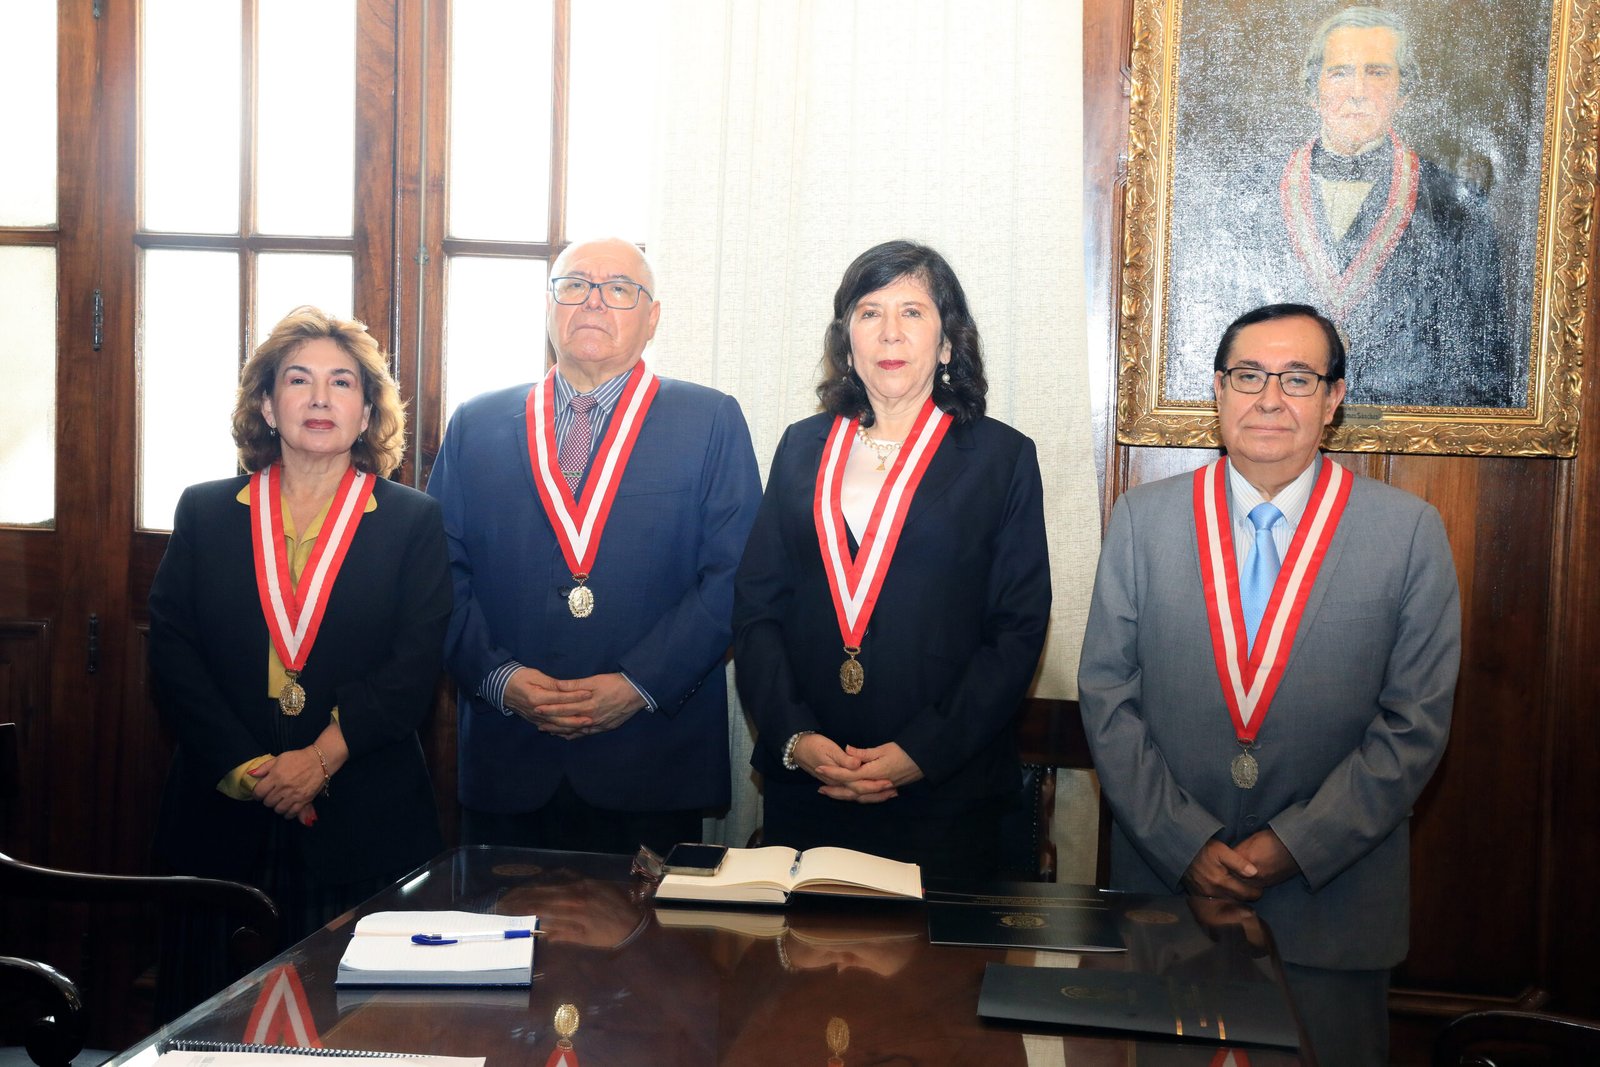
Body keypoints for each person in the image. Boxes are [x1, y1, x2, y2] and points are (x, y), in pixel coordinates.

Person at [1078, 303, 1460, 1064]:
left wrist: (1293, 845)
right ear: (1219, 391)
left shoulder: (1407, 531)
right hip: (1167, 901)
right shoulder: (1143, 521)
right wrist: (1186, 842)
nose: (1270, 398)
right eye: (1248, 376)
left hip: (1331, 909)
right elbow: (1107, 698)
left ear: (1334, 397)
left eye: (1297, 378)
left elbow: (1414, 725)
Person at [148, 307, 450, 1008]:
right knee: (211, 1027)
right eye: (298, 379)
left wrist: (319, 759)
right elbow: (172, 650)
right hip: (223, 821)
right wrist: (252, 769)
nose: (320, 398)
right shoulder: (205, 511)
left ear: (367, 412)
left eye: (342, 382)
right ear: (266, 404)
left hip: (363, 822)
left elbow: (414, 666)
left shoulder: (412, 521)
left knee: (354, 1030)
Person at [427, 237, 761, 856]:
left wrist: (639, 685)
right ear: (549, 306)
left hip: (652, 756)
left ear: (652, 317)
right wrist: (499, 678)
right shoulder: (476, 423)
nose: (594, 302)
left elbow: (734, 574)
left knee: (649, 925)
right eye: (575, 285)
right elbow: (439, 574)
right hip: (509, 754)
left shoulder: (710, 420)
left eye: (619, 289)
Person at [733, 240, 1051, 879]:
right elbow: (757, 608)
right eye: (869, 312)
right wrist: (795, 737)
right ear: (847, 340)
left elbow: (1016, 629)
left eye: (912, 312)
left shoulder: (1001, 458)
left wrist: (922, 752)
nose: (890, 332)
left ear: (947, 342)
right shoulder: (801, 447)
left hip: (945, 793)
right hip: (812, 786)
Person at [1172, 5, 1515, 407]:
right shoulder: (1247, 198)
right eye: (1340, 73)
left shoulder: (1457, 207)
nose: (1357, 91)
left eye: (1377, 72)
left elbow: (1481, 374)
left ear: (1404, 93)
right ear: (1312, 91)